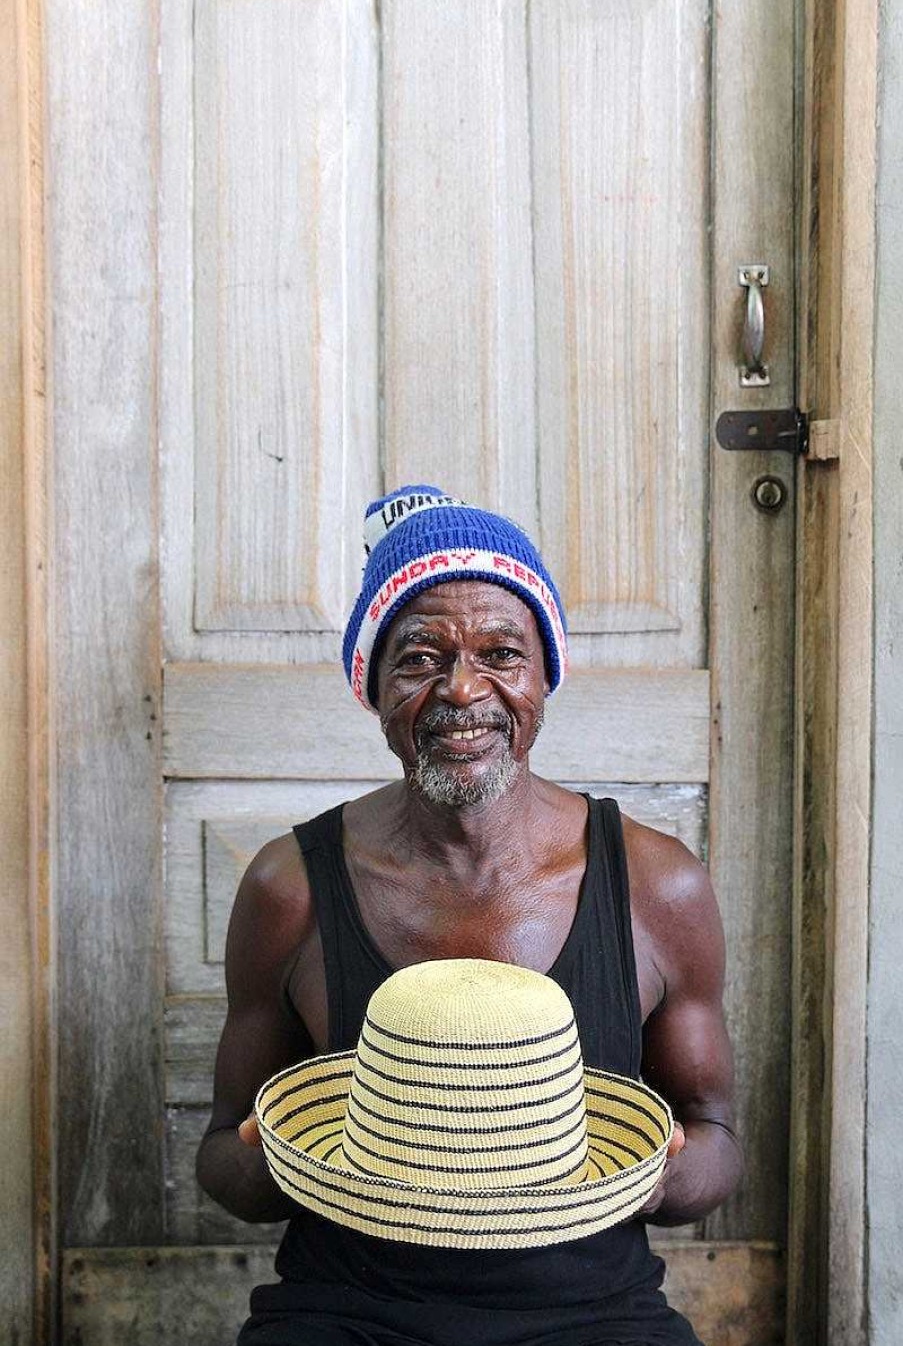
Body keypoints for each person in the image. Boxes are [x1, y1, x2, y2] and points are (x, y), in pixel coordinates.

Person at [197, 485, 743, 1346]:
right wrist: (278, 1162)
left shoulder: (653, 883)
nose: (462, 689)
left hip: (594, 1314)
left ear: (542, 676)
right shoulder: (289, 886)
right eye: (419, 657)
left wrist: (655, 1179)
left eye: (500, 652)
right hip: (348, 1312)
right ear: (370, 685)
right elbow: (221, 1154)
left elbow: (713, 1135)